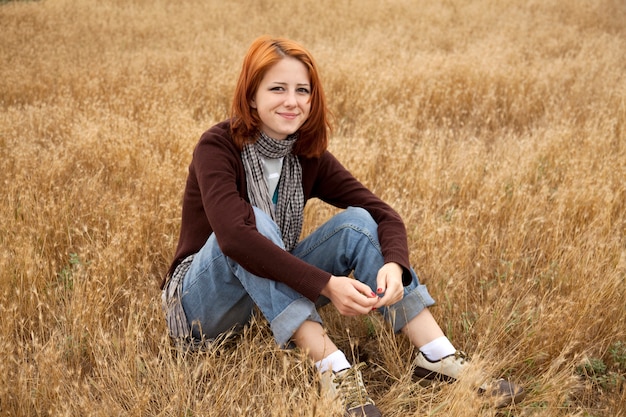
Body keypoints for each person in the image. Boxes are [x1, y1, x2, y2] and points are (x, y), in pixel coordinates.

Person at [161, 35, 525, 417]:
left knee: (358, 223)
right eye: (278, 89)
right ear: (252, 96)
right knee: (252, 225)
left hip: (265, 299)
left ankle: (438, 356)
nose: (292, 101)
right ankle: (335, 372)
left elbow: (383, 214)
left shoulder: (306, 154)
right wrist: (325, 285)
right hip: (201, 311)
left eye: (303, 90)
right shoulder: (217, 146)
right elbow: (235, 239)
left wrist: (394, 265)